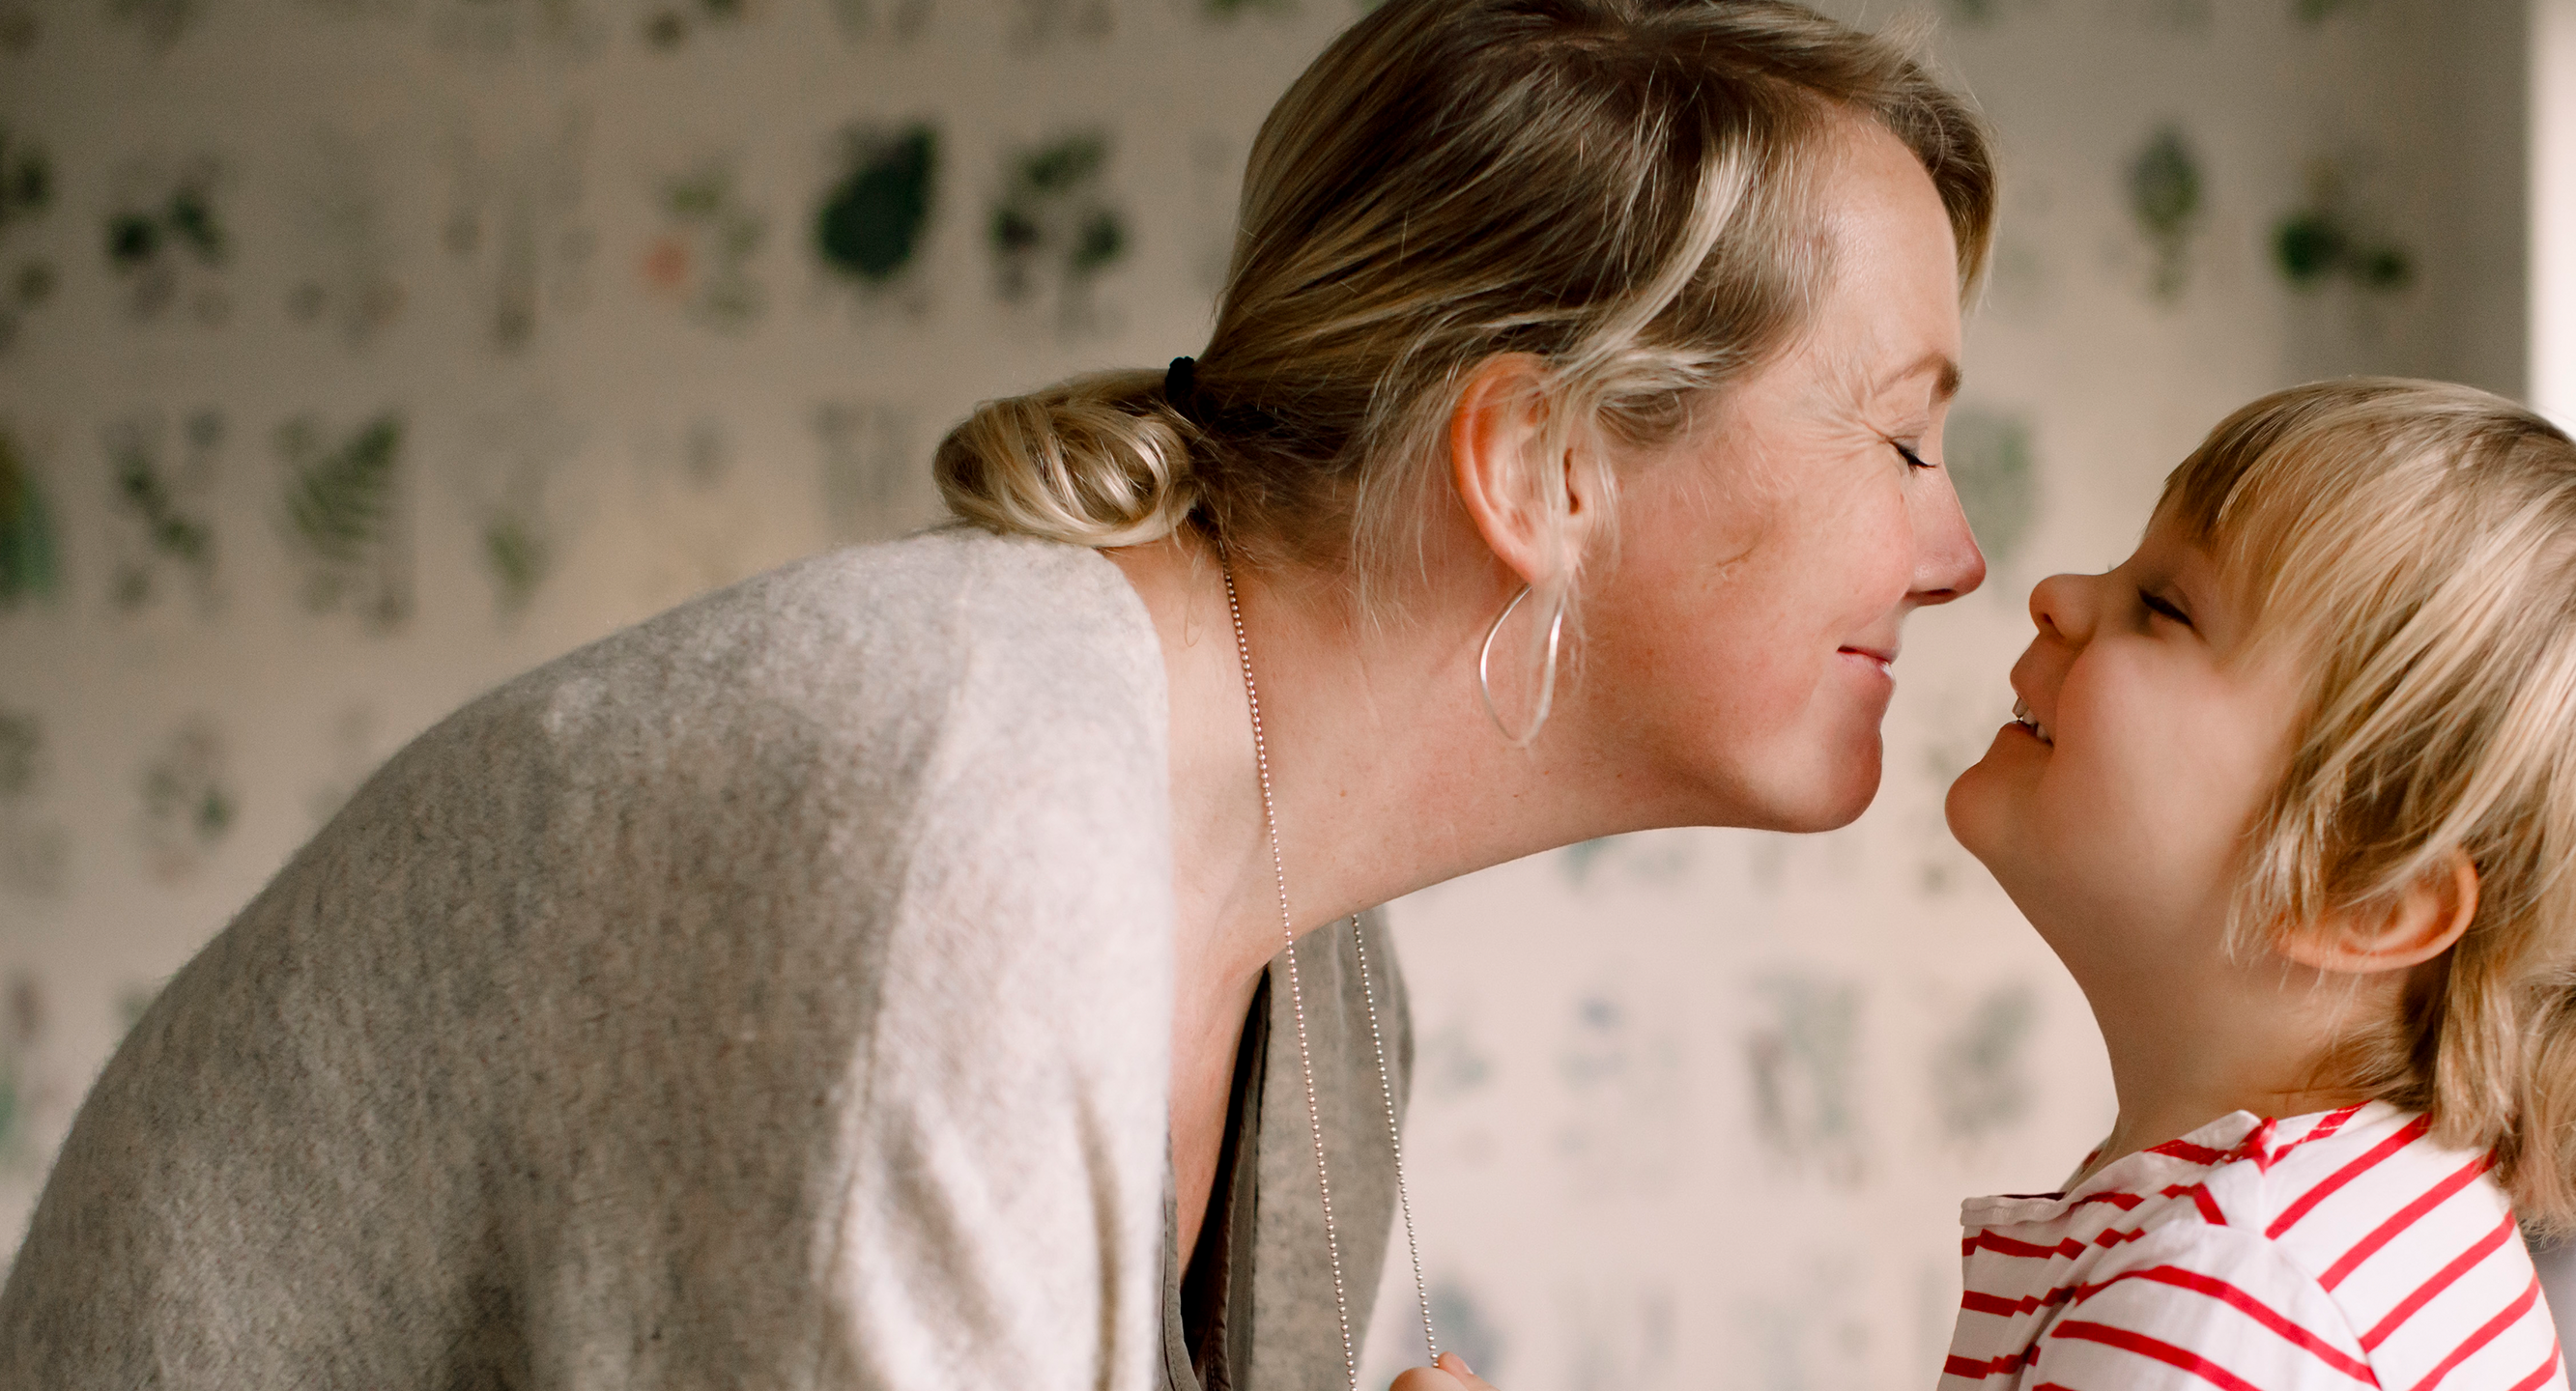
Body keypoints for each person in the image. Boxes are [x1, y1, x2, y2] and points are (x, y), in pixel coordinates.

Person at [0, 0, 1993, 1385]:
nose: (1958, 551)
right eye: (1904, 440)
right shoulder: (963, 826)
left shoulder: (1306, 957)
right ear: (1542, 464)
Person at [1932, 381, 2576, 1390]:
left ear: (2359, 895)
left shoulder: (2221, 1298)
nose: (2059, 592)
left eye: (2165, 607)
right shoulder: (2364, 1228)